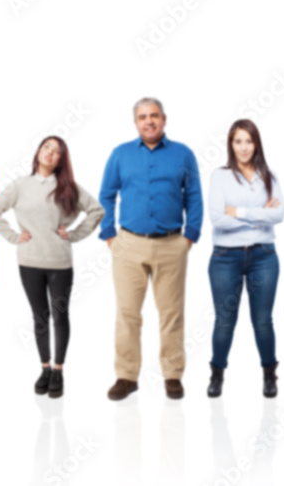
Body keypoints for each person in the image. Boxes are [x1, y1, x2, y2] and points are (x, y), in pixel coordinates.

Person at [99, 97, 203, 401]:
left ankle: (172, 375)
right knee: (127, 313)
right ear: (136, 122)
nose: (149, 121)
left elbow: (194, 197)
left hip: (172, 244)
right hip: (128, 244)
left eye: (154, 115)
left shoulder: (183, 155)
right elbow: (106, 196)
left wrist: (189, 238)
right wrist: (109, 236)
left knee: (172, 313)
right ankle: (126, 376)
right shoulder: (120, 154)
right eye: (143, 116)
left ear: (164, 119)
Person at [0, 136, 103, 398]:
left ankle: (59, 370)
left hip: (59, 262)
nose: (51, 153)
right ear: (38, 151)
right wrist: (14, 237)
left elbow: (96, 210)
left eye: (57, 151)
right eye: (47, 147)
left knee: (60, 316)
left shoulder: (67, 186)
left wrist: (73, 234)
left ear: (62, 160)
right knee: (40, 317)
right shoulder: (21, 185)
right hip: (29, 262)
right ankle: (45, 368)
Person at [205, 119, 284, 398]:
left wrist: (237, 212)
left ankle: (269, 374)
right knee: (225, 320)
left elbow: (279, 215)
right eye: (238, 141)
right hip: (225, 257)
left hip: (264, 256)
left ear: (256, 144)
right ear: (231, 144)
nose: (243, 147)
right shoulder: (220, 176)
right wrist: (258, 214)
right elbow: (216, 218)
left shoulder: (269, 176)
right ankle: (217, 373)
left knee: (263, 320)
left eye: (248, 141)